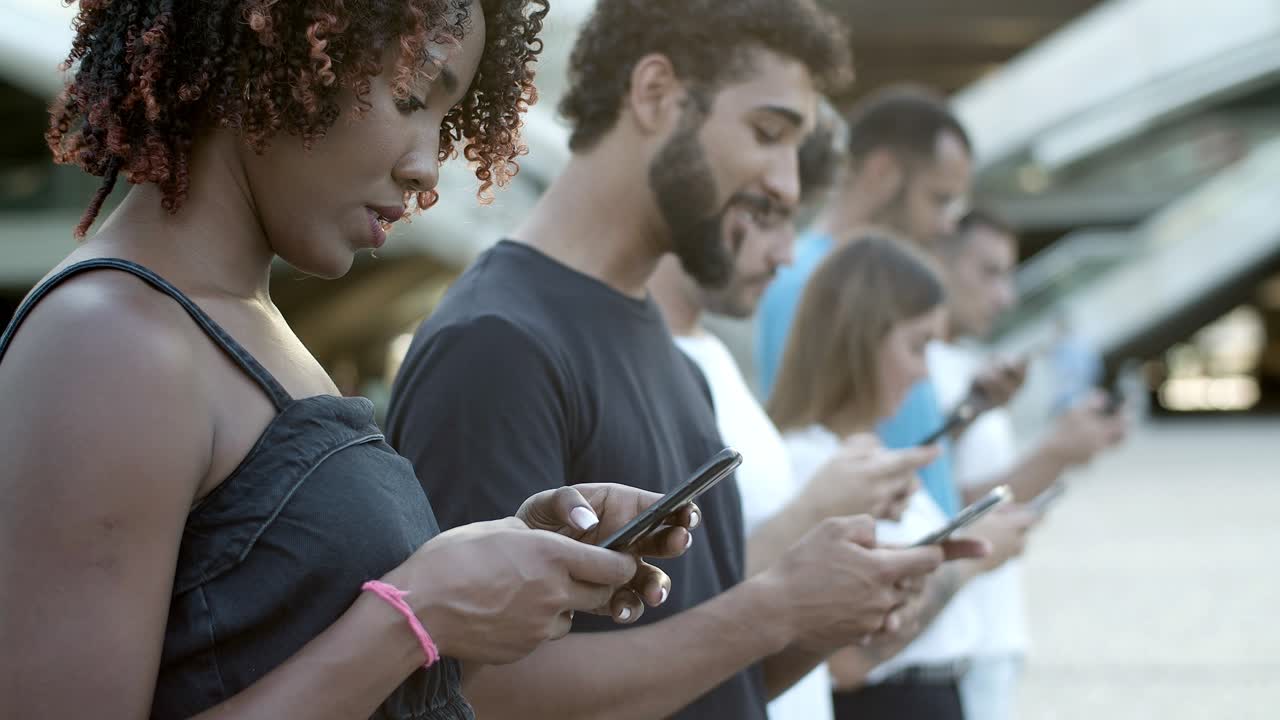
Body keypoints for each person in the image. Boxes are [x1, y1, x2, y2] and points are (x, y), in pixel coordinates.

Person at [0, 2, 704, 718]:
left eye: (446, 120)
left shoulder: (239, 324)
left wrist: (497, 565)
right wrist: (413, 618)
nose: (426, 167)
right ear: (275, 49)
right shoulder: (108, 340)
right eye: (411, 96)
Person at [386, 3, 985, 719]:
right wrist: (775, 607)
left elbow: (710, 684)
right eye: (768, 133)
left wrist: (822, 613)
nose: (787, 187)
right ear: (655, 93)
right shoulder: (495, 342)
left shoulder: (678, 361)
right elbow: (483, 694)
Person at [647, 128, 938, 720]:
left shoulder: (711, 354)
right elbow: (667, 603)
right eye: (766, 215)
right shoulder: (652, 363)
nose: (786, 254)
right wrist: (820, 507)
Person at [768, 233, 1037, 720]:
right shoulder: (813, 466)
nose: (925, 373)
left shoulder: (857, 455)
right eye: (917, 346)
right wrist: (972, 560)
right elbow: (847, 661)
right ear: (860, 342)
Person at [755, 85, 1030, 525]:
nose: (947, 225)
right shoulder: (808, 282)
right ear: (882, 173)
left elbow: (884, 443)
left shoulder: (875, 279)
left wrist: (964, 416)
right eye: (939, 199)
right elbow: (816, 450)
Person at [932, 209, 1127, 720]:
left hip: (983, 629)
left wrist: (1060, 453)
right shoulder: (916, 367)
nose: (1005, 297)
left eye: (1008, 276)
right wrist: (1057, 451)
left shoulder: (965, 363)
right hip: (954, 637)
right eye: (988, 272)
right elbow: (930, 502)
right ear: (938, 258)